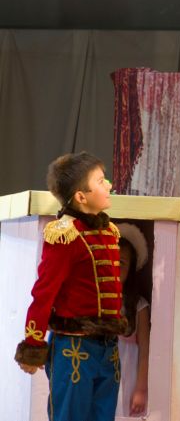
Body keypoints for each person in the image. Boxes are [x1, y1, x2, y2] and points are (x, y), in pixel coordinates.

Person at [14, 152, 126, 421]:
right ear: (81, 196)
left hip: (108, 347)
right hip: (74, 346)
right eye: (100, 181)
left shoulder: (108, 231)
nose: (109, 185)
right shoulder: (65, 235)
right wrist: (33, 344)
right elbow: (44, 293)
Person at [116, 223, 151, 417]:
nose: (115, 267)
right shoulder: (94, 299)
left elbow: (145, 350)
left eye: (121, 262)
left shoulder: (138, 306)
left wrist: (141, 389)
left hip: (127, 378)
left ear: (130, 268)